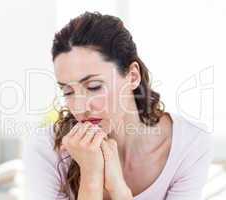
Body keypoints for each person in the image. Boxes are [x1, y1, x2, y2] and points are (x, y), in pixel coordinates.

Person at [22, 12, 213, 200]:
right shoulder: (45, 149)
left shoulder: (189, 144)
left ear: (133, 76)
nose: (79, 107)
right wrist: (91, 177)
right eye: (68, 91)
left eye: (94, 87)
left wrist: (119, 189)